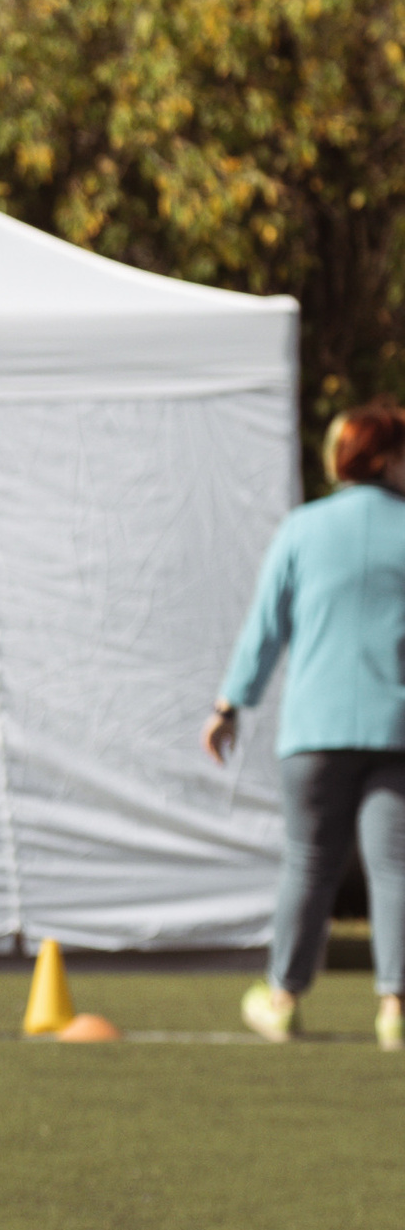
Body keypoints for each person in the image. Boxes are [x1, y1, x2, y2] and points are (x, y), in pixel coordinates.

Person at [205, 398, 405, 1049]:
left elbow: (266, 626)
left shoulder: (303, 527)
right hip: (396, 727)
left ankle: (284, 996)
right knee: (396, 868)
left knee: (309, 863)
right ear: (390, 458)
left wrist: (231, 704)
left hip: (315, 726)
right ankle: (395, 1007)